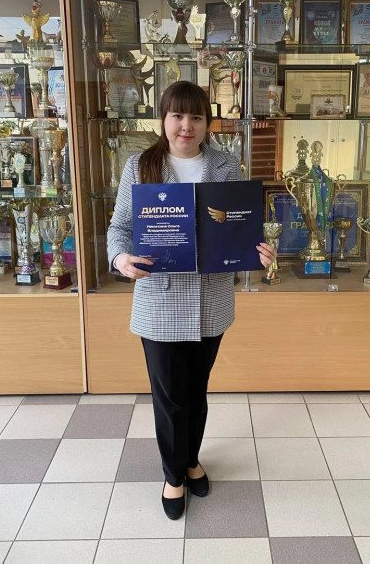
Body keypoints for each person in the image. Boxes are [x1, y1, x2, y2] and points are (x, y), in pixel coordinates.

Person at [107, 81, 276, 520]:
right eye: (177, 116)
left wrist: (259, 249)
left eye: (196, 117)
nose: (186, 125)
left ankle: (191, 458)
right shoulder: (140, 165)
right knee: (169, 396)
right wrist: (120, 258)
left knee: (196, 391)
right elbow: (119, 228)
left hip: (210, 300)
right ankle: (173, 476)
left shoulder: (225, 165)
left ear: (207, 123)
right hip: (159, 301)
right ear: (163, 119)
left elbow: (239, 226)